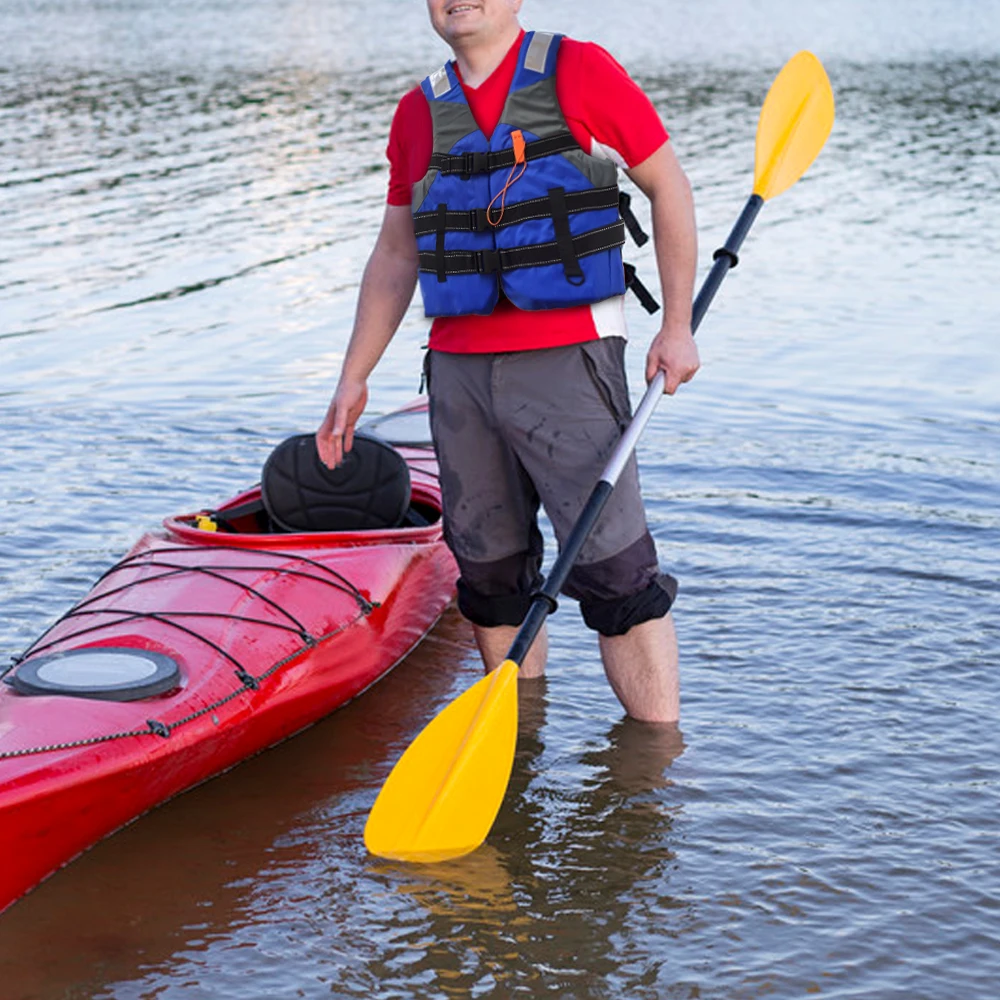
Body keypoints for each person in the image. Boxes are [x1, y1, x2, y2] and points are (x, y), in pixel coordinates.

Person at [316, 0, 699, 723]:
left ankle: (653, 764)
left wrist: (676, 326)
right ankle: (516, 742)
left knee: (617, 575)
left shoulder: (580, 70)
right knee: (490, 579)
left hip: (569, 363)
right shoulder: (417, 112)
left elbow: (668, 185)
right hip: (458, 375)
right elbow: (396, 253)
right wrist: (353, 375)